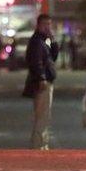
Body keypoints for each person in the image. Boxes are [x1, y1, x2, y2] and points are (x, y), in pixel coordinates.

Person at [23, 14, 59, 150]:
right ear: (38, 25)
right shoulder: (37, 41)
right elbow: (36, 62)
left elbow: (53, 58)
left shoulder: (44, 41)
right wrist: (42, 77)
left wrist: (53, 41)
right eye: (45, 24)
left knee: (44, 114)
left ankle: (42, 143)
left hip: (46, 80)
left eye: (49, 24)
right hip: (42, 83)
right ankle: (39, 145)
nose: (48, 27)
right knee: (42, 115)